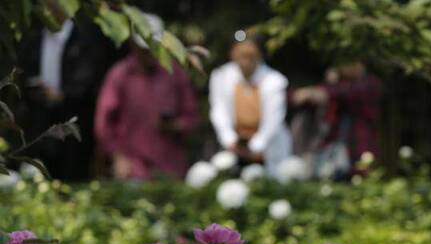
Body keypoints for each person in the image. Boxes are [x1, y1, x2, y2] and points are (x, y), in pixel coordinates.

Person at [94, 14, 198, 180]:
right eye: (144, 48)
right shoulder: (120, 75)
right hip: (133, 168)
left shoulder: (174, 74)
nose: (149, 53)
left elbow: (191, 116)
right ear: (133, 44)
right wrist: (117, 157)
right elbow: (103, 123)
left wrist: (175, 125)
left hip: (169, 167)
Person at [20, 9, 116, 180]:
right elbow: (24, 73)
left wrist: (61, 96)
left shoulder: (84, 39)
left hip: (73, 127)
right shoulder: (35, 38)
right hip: (39, 125)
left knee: (72, 180)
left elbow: (89, 82)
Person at [209, 31, 291, 176]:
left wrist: (254, 146)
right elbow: (219, 111)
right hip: (233, 148)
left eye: (250, 55)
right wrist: (230, 140)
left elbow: (273, 120)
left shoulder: (275, 81)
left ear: (259, 55)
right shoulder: (221, 76)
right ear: (232, 54)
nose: (246, 60)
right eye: (242, 54)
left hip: (268, 151)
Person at [291, 61, 382, 177]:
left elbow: (342, 93)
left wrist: (327, 86)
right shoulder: (338, 85)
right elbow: (301, 98)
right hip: (335, 155)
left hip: (359, 149)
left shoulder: (370, 84)